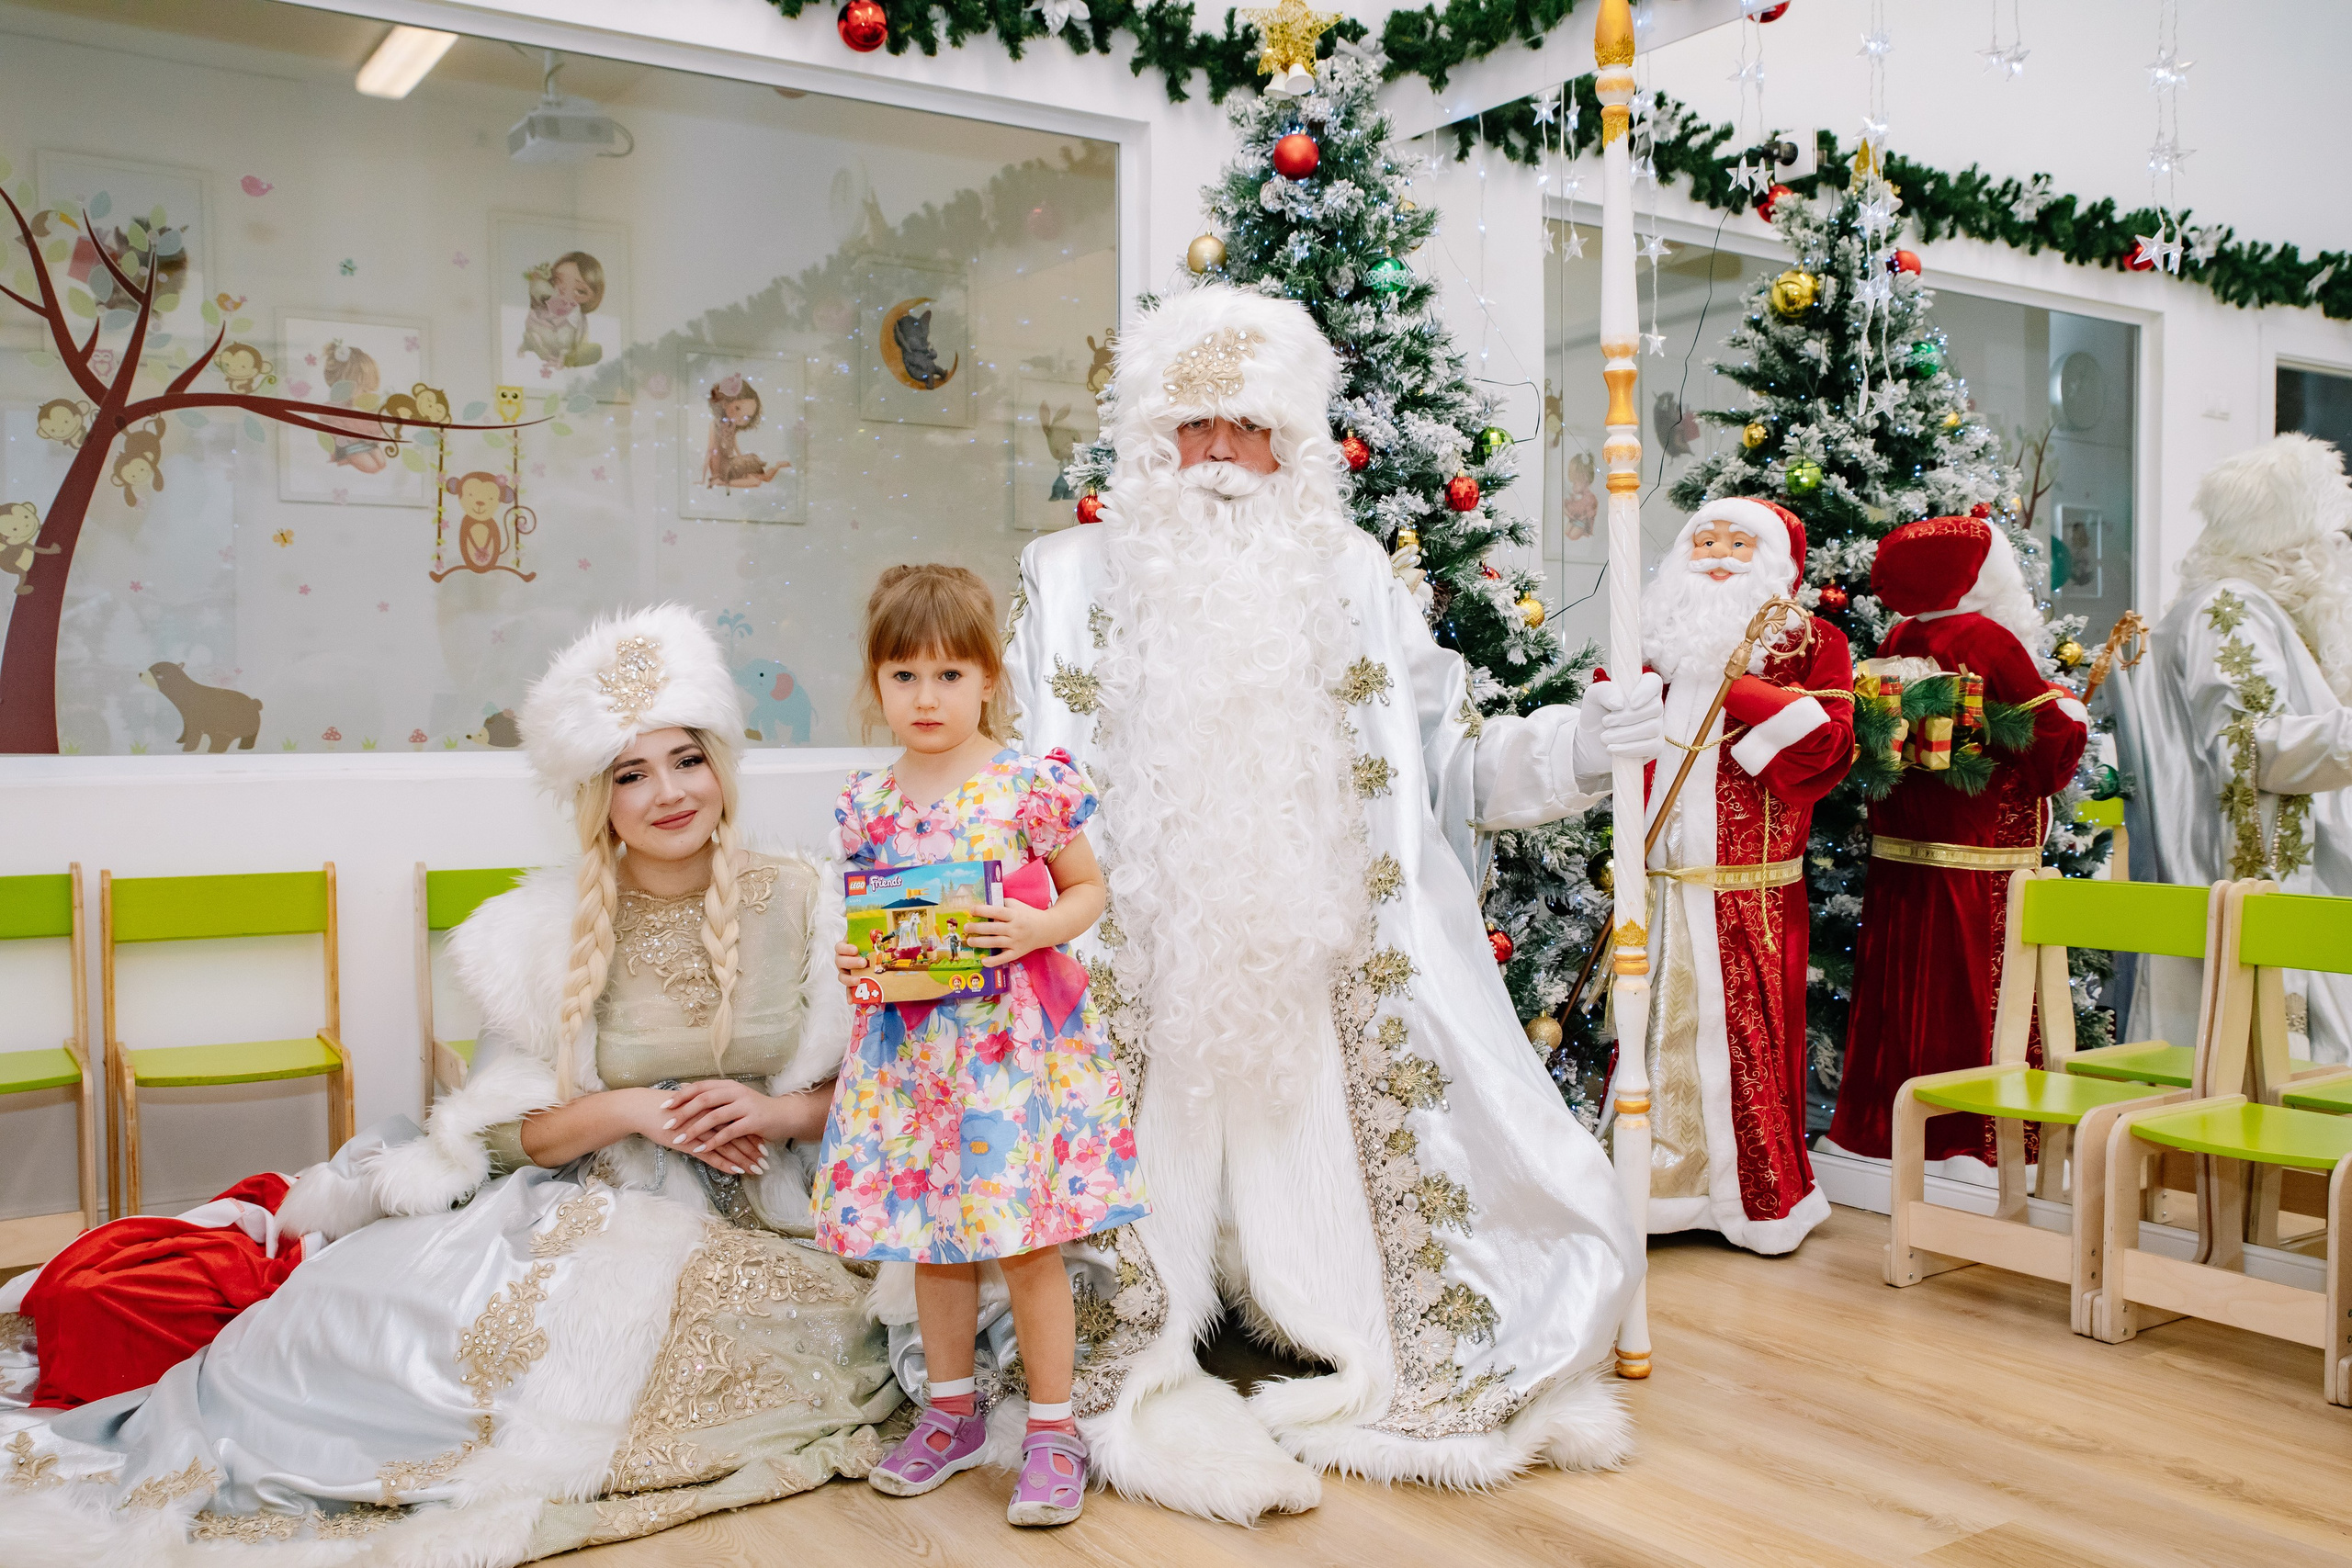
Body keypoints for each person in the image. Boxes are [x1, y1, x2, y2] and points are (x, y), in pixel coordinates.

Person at [0, 605, 900, 1563]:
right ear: (596, 797)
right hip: (595, 1193)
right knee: (363, 1338)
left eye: (687, 759)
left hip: (769, 1213)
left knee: (721, 1357)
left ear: (722, 761)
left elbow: (879, 1087)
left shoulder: (812, 900)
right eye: (631, 773)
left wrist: (776, 1107)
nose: (669, 792)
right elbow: (505, 1134)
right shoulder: (535, 930)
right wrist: (637, 1111)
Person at [995, 282, 1647, 1522]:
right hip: (1132, 957)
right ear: (1148, 440)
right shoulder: (1065, 578)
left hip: (1322, 948)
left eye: (1251, 431)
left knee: (1489, 1224)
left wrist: (1581, 748)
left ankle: (1325, 1309)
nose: (1223, 460)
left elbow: (1454, 765)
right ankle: (1135, 1337)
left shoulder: (1351, 574)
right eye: (1196, 428)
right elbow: (1006, 766)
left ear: (1294, 445)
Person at [820, 564, 1147, 1529]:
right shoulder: (867, 803)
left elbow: (1090, 890)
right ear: (874, 683)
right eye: (904, 676)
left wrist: (1039, 929)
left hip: (1010, 1060)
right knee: (935, 1247)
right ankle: (952, 1412)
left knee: (1027, 1244)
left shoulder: (1027, 787)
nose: (927, 698)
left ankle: (1053, 1430)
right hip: (913, 1060)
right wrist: (857, 957)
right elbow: (887, 922)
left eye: (949, 676)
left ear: (989, 679)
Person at [1575, 498, 1854, 1254]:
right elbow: (1611, 732)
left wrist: (1736, 684)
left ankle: (1756, 1197)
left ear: (1774, 560)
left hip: (1751, 893)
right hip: (1661, 883)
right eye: (1705, 538)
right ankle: (1650, 1189)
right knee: (1646, 1032)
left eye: (1739, 541)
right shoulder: (1655, 635)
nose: (1720, 554)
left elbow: (1826, 746)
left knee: (1745, 1043)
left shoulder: (1810, 642)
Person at [1827, 515, 2090, 1168]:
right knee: (1971, 998)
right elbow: (2045, 742)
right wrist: (2070, 708)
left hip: (1905, 860)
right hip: (1979, 865)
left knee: (1905, 996)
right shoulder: (1987, 638)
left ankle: (1886, 1135)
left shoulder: (1900, 636)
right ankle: (1971, 1142)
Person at [2132, 434, 2352, 1061]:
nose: (2339, 553)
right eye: (2331, 537)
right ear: (2291, 542)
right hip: (2261, 894)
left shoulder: (2257, 609)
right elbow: (2254, 748)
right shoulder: (2229, 607)